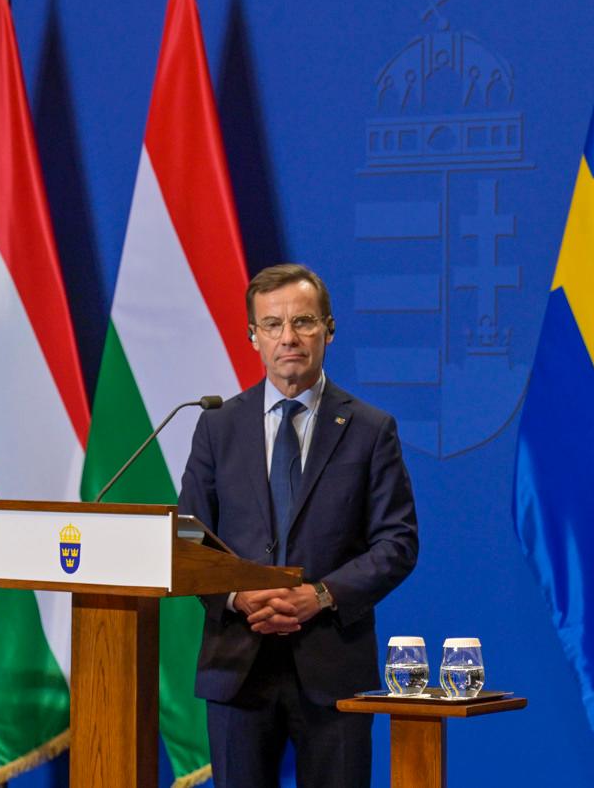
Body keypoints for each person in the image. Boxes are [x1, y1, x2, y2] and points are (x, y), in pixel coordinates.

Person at [179, 263, 418, 788]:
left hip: (332, 664)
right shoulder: (217, 426)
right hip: (237, 665)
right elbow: (187, 536)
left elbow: (397, 542)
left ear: (329, 330)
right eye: (272, 325)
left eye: (304, 322)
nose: (289, 338)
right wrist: (239, 596)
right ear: (252, 337)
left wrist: (322, 594)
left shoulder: (371, 430)